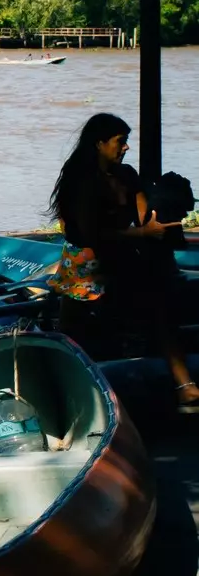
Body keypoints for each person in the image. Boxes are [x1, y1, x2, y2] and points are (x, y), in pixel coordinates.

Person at [49, 111, 198, 406]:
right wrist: (142, 235)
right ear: (99, 143)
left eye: (127, 141)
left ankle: (185, 385)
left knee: (159, 310)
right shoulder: (80, 179)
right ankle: (66, 389)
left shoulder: (127, 175)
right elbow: (89, 233)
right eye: (120, 141)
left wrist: (158, 218)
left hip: (121, 259)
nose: (125, 147)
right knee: (74, 329)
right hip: (86, 264)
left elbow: (143, 215)